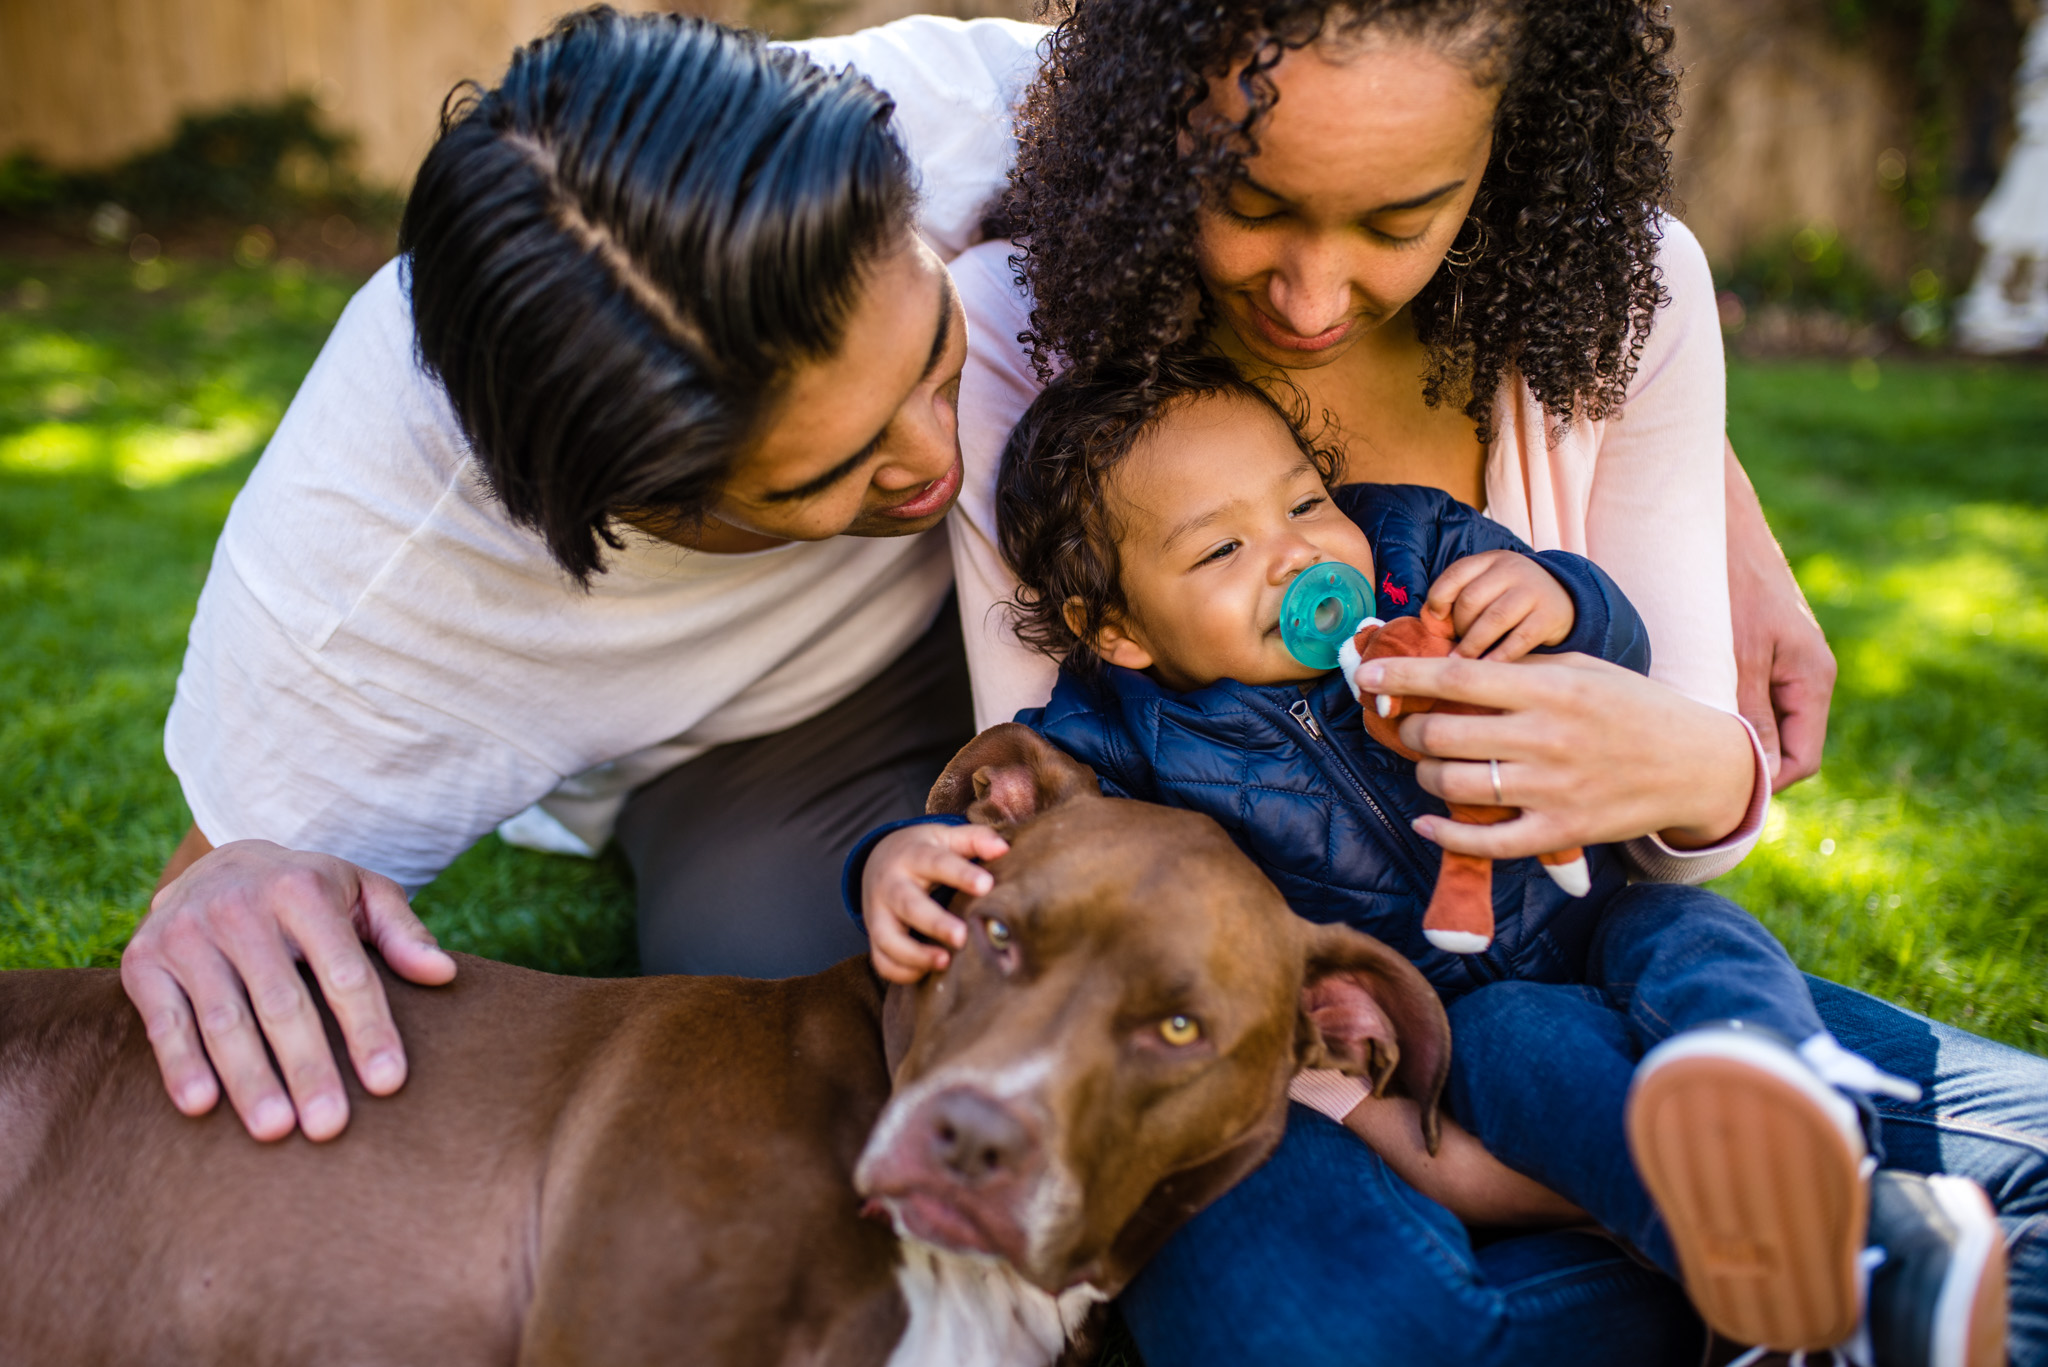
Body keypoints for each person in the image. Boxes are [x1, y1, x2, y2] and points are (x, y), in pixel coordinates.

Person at [928, 0, 2047, 1361]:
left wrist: (1652, 727)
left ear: (1512, 151)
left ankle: (1808, 1229)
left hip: (1572, 980)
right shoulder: (1017, 327)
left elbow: (1681, 848)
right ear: (1158, 129)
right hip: (1284, 1060)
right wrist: (1430, 1143)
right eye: (1253, 199)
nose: (1311, 297)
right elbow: (1069, 843)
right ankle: (1801, 1275)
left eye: (1399, 220)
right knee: (1316, 1328)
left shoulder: (1602, 322)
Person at [856, 353, 2005, 1365]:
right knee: (1528, 1041)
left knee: (1696, 938)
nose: (1294, 551)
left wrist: (1556, 596)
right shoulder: (1122, 729)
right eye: (1220, 546)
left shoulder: (1409, 549)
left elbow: (1613, 639)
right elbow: (1021, 831)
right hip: (1457, 1017)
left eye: (1302, 499)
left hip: (1600, 912)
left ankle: (1780, 1086)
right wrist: (892, 854)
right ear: (1119, 628)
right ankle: (1794, 1258)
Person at [128, 8, 1049, 1145]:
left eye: (927, 359)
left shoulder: (981, 109)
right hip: (777, 731)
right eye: (828, 471)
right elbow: (226, 885)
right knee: (782, 1006)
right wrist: (213, 901)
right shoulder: (376, 563)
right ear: (615, 507)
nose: (933, 459)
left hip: (1116, 554)